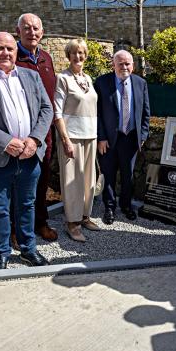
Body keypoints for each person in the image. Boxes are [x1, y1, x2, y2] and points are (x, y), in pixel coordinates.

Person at [0, 32, 54, 268]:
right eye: (0, 49)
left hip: (30, 154)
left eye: (10, 49)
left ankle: (28, 249)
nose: (5, 53)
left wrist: (34, 140)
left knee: (27, 204)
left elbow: (47, 109)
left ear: (16, 52)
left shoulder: (32, 76)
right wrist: (7, 142)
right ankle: (2, 252)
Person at [16, 13, 58, 242]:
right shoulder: (12, 58)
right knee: (19, 183)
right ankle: (16, 228)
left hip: (46, 133)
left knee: (42, 180)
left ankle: (40, 223)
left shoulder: (46, 58)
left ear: (42, 32)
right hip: (21, 133)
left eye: (36, 28)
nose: (32, 32)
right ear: (18, 31)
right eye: (27, 28)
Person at [94, 50, 150, 224]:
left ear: (133, 65)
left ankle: (126, 206)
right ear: (113, 65)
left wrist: (143, 134)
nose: (124, 67)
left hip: (131, 138)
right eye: (120, 64)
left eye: (128, 64)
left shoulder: (141, 83)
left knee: (128, 175)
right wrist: (101, 137)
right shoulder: (102, 82)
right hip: (109, 139)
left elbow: (146, 112)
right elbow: (97, 114)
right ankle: (109, 208)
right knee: (108, 175)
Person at [53, 38, 99, 242]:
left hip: (91, 135)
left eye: (81, 53)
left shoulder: (88, 78)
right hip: (72, 136)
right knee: (72, 181)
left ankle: (85, 216)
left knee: (89, 180)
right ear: (68, 56)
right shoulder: (63, 78)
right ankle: (72, 223)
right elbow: (57, 112)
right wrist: (65, 140)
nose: (78, 56)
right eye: (74, 53)